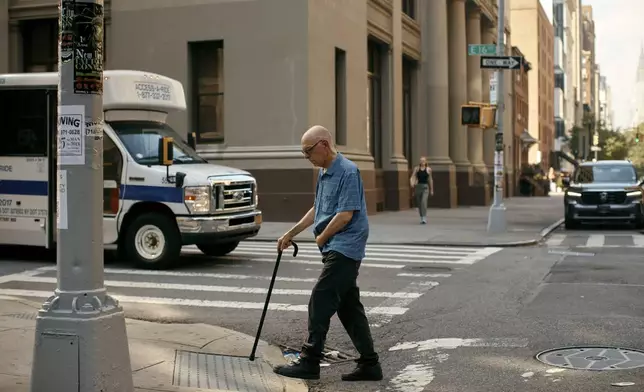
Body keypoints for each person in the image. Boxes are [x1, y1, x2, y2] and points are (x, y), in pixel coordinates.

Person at [273, 125, 382, 382]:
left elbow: (346, 214)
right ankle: (370, 364)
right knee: (349, 308)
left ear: (323, 145)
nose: (307, 157)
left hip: (345, 247)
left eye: (308, 151)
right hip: (334, 246)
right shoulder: (324, 172)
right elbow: (318, 208)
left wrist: (322, 237)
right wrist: (291, 233)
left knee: (320, 299)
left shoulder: (348, 171)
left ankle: (310, 361)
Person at [409, 157, 433, 224]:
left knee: (423, 202)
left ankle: (424, 217)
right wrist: (412, 182)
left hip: (425, 187)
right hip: (418, 187)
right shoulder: (416, 169)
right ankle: (422, 216)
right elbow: (413, 176)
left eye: (423, 161)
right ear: (420, 162)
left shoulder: (428, 169)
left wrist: (431, 190)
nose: (422, 162)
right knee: (419, 204)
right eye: (421, 161)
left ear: (425, 162)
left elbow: (430, 180)